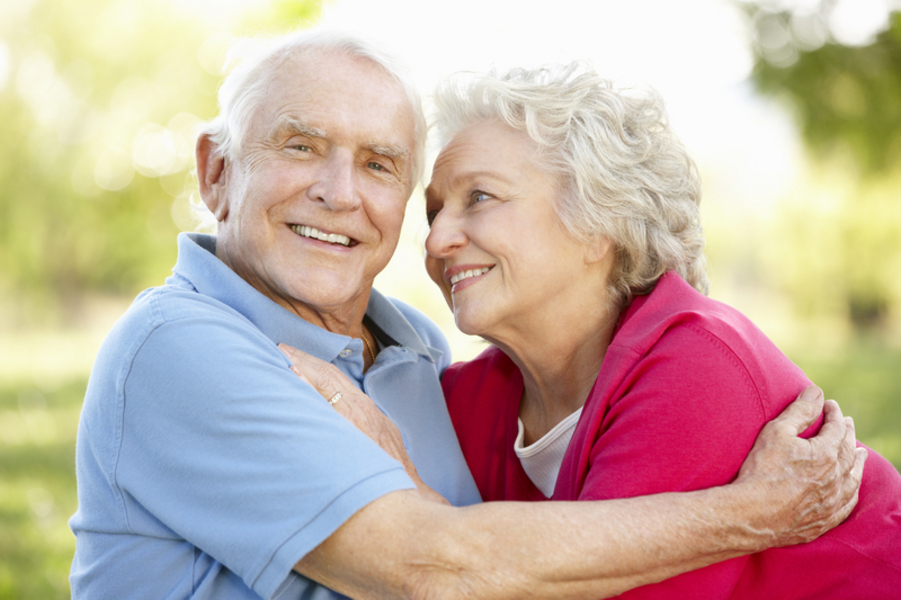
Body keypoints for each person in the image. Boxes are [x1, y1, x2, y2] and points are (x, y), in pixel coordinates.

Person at [71, 29, 864, 600]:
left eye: (380, 166)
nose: (341, 193)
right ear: (216, 173)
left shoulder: (416, 359)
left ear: (597, 222)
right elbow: (439, 570)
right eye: (300, 146)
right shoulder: (181, 347)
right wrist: (750, 513)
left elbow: (474, 563)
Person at [418, 64, 901, 596]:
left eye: (479, 197)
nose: (437, 240)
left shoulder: (698, 366)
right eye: (433, 213)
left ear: (597, 224)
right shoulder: (464, 401)